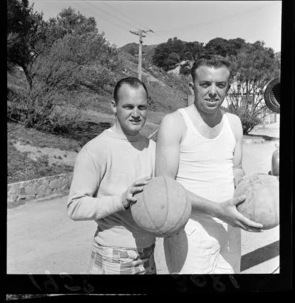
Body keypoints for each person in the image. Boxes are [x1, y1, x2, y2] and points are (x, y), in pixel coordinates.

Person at [155, 54, 263, 274]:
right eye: (205, 84)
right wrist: (217, 209)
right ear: (192, 86)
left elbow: (237, 168)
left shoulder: (234, 123)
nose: (213, 91)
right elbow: (165, 188)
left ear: (228, 87)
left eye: (220, 85)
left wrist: (252, 193)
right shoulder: (175, 123)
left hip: (230, 230)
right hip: (189, 234)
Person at [67, 77, 156, 274]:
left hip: (148, 254)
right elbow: (75, 207)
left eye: (141, 107)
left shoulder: (153, 148)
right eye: (128, 106)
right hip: (113, 257)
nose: (136, 114)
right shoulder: (96, 149)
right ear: (114, 107)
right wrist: (120, 200)